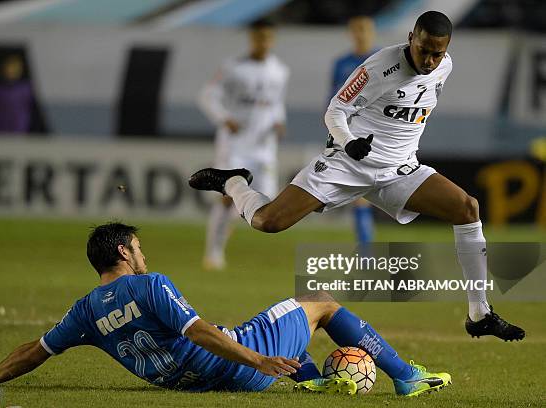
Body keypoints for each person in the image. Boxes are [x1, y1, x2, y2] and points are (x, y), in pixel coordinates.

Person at [189, 11, 525, 341]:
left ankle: (479, 314)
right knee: (269, 221)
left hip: (399, 169)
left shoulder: (444, 66)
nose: (430, 60)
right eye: (424, 50)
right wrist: (349, 143)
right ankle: (233, 182)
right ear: (411, 39)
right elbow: (335, 109)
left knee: (467, 208)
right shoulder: (380, 67)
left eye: (438, 53)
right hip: (348, 163)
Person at [0, 222, 450, 397]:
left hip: (192, 381)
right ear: (123, 253)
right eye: (138, 248)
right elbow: (199, 330)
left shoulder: (85, 312)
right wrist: (258, 362)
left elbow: (34, 352)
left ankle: (315, 379)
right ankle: (406, 377)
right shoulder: (150, 285)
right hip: (235, 365)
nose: (144, 255)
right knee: (317, 303)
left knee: (271, 325)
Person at [198, 18, 289, 270]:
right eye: (259, 37)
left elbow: (276, 103)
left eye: (268, 38)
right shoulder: (233, 67)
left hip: (264, 147)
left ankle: (224, 231)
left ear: (273, 40)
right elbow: (207, 96)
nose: (264, 42)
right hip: (235, 144)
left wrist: (280, 121)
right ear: (252, 38)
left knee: (267, 200)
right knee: (227, 197)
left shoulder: (279, 70)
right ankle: (214, 253)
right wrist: (224, 118)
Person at [329, 15, 379, 250]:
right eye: (356, 30)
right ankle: (365, 251)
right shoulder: (341, 63)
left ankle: (366, 252)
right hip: (347, 136)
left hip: (375, 135)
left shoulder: (382, 60)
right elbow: (331, 101)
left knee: (363, 194)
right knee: (360, 195)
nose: (361, 34)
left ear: (372, 33)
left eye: (365, 30)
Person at [0, 55, 33, 133]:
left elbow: (30, 107)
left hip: (19, 128)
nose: (11, 72)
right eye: (9, 68)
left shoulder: (26, 88)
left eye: (15, 69)